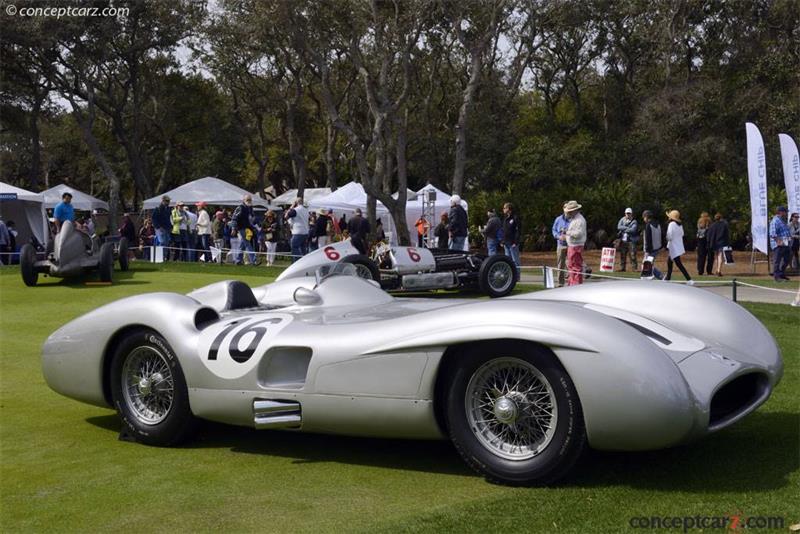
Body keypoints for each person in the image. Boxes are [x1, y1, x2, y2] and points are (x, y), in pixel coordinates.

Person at [664, 210, 694, 284]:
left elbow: (669, 235)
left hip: (673, 246)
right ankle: (668, 278)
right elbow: (682, 234)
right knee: (670, 262)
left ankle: (689, 279)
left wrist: (667, 238)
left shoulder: (671, 224)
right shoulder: (680, 225)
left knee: (678, 264)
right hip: (677, 246)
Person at [563, 200, 586, 286]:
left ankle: (576, 285)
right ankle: (571, 283)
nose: (568, 213)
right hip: (572, 245)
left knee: (576, 267)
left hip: (576, 246)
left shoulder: (579, 220)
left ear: (574, 211)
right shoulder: (574, 219)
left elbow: (578, 234)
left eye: (570, 211)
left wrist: (567, 233)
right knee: (571, 266)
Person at [233, 194, 258, 265]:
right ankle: (254, 260)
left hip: (248, 228)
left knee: (243, 244)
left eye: (250, 200)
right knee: (247, 243)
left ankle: (238, 260)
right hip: (241, 228)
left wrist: (255, 225)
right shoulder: (240, 207)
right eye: (247, 200)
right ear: (243, 200)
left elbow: (252, 218)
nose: (249, 201)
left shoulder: (250, 208)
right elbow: (234, 218)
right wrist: (233, 228)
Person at [769, 206, 792, 282]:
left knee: (787, 259)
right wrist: (778, 241)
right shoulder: (775, 221)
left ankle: (781, 274)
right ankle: (776, 277)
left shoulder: (782, 220)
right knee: (777, 261)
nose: (786, 213)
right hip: (778, 244)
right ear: (780, 212)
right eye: (785, 212)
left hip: (785, 243)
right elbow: (772, 233)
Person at [283, 197, 309, 263]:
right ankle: (306, 262)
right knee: (303, 249)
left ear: (296, 203)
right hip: (305, 231)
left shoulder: (295, 210)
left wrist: (291, 206)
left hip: (298, 232)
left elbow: (286, 216)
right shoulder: (306, 210)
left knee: (294, 246)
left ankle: (298, 262)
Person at [641, 210, 664, 280]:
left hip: (650, 249)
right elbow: (661, 235)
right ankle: (659, 276)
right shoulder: (658, 224)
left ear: (646, 217)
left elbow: (648, 239)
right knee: (648, 264)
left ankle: (659, 276)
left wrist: (647, 250)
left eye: (644, 217)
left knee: (645, 264)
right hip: (657, 248)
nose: (643, 219)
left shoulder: (648, 226)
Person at [705, 212, 730, 277]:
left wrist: (709, 242)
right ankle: (719, 270)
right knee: (720, 256)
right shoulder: (724, 225)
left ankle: (717, 269)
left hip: (714, 242)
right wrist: (728, 243)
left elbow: (709, 234)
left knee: (716, 256)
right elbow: (727, 235)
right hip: (721, 242)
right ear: (721, 218)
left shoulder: (712, 225)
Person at [551, 207, 569, 287]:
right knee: (560, 264)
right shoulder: (558, 219)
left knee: (571, 264)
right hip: (560, 245)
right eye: (565, 207)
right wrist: (558, 236)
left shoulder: (573, 219)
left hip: (571, 245)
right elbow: (553, 230)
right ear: (563, 209)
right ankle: (560, 283)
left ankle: (571, 283)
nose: (566, 209)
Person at [502, 202, 522, 274]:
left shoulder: (515, 218)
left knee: (515, 260)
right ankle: (509, 275)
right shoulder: (505, 219)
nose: (503, 209)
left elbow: (518, 231)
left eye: (504, 208)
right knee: (508, 260)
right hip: (506, 243)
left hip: (513, 243)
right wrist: (503, 241)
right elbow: (504, 230)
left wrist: (515, 242)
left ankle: (517, 275)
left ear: (509, 209)